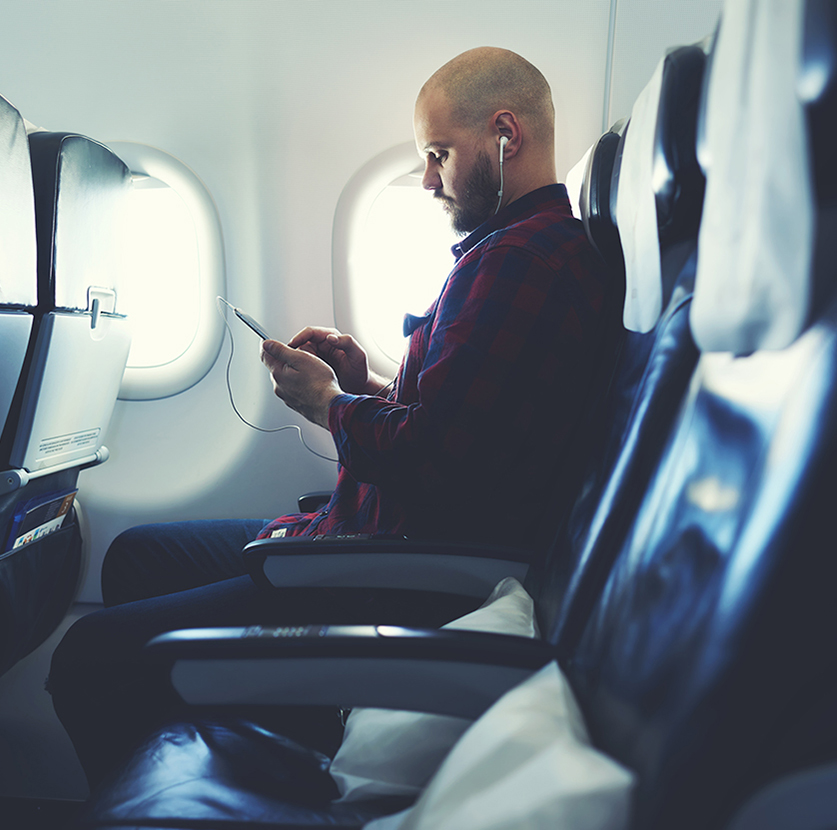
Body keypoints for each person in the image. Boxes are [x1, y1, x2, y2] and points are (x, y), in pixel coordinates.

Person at [48, 46, 619, 788]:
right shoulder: (511, 252)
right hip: (371, 537)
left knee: (88, 660)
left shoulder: (519, 262)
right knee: (136, 557)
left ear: (505, 135)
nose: (426, 179)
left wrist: (327, 403)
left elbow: (436, 458)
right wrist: (362, 381)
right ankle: (202, 743)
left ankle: (206, 756)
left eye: (438, 154)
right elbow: (463, 419)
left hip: (393, 570)